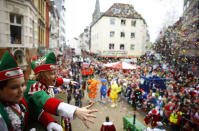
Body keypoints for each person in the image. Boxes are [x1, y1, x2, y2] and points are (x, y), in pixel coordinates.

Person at [24, 52, 98, 130]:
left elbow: (56, 81)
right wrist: (75, 110)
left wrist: (67, 81)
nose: (56, 75)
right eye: (52, 73)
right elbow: (48, 102)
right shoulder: (34, 87)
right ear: (42, 76)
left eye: (55, 72)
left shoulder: (44, 82)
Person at [0, 52, 59, 131]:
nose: (21, 90)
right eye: (14, 87)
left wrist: (49, 122)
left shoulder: (20, 101)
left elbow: (34, 110)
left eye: (22, 85)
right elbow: (46, 101)